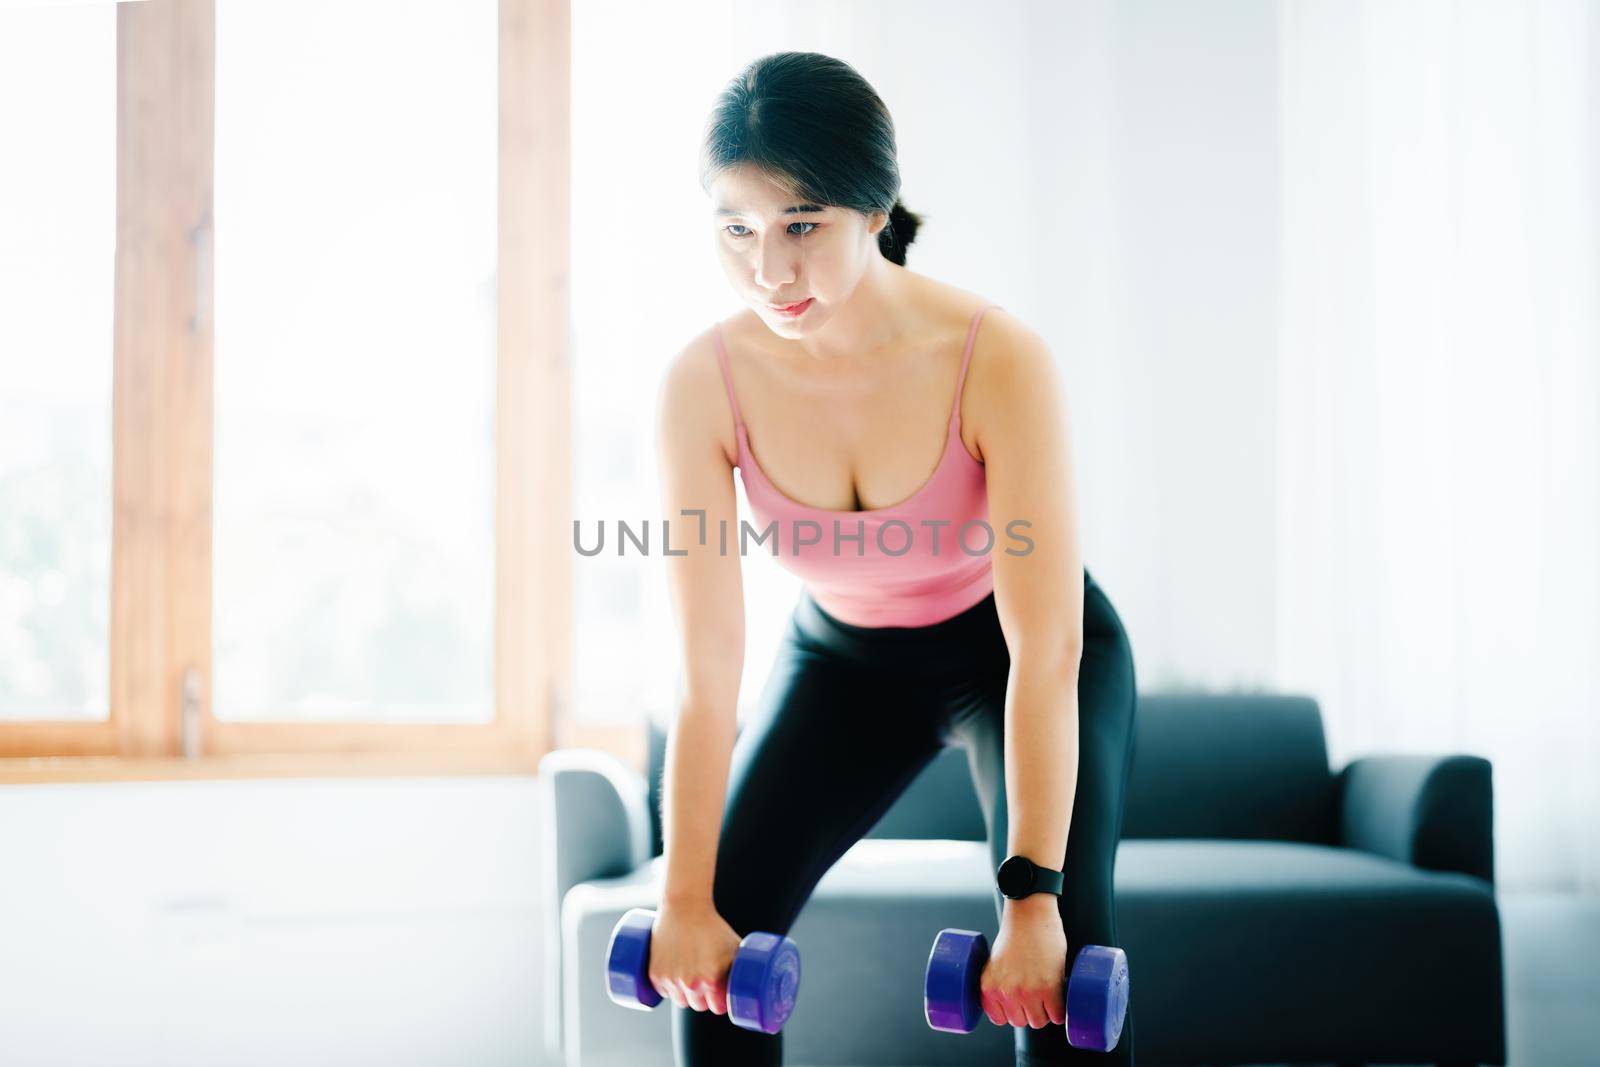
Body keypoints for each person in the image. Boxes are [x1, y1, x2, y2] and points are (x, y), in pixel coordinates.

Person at [651, 51, 1137, 1067]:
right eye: (735, 229)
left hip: (1014, 653)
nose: (767, 269)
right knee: (716, 957)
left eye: (801, 225)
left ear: (875, 208)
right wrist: (684, 900)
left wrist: (1032, 895)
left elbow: (1044, 648)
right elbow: (705, 671)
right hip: (843, 662)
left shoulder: (995, 357)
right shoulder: (703, 382)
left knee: (1059, 968)